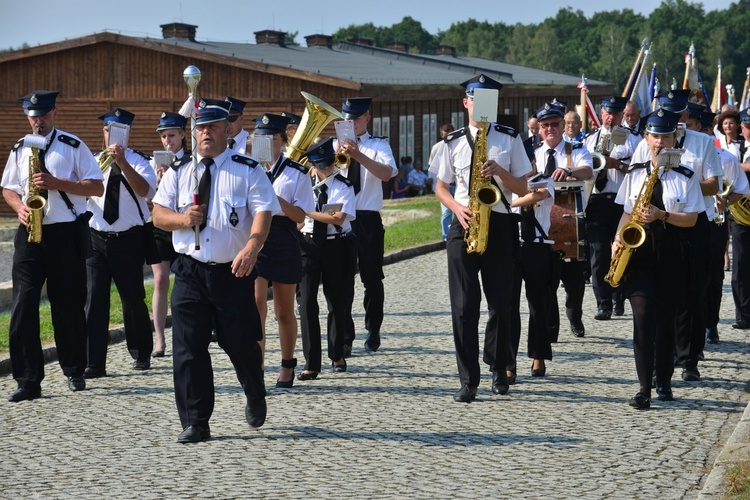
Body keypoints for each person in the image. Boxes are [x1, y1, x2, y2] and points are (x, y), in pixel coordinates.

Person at [152, 97, 279, 443]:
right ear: (193, 133)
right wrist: (182, 219)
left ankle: (254, 390)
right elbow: (158, 215)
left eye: (212, 127)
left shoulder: (247, 169)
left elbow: (264, 214)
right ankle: (196, 421)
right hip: (190, 271)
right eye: (200, 128)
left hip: (233, 272)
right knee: (188, 348)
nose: (205, 133)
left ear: (226, 130)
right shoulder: (180, 172)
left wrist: (252, 247)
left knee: (240, 344)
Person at [432, 73, 532, 402]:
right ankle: (467, 379)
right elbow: (440, 187)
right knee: (463, 307)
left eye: (490, 100)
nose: (482, 105)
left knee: (501, 304)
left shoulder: (509, 137)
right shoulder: (453, 142)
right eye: (477, 99)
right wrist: (457, 209)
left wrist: (501, 172)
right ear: (467, 102)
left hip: (501, 224)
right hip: (465, 223)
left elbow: (524, 188)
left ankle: (498, 366)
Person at [2, 90, 104, 401]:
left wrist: (58, 183)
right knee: (22, 306)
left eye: (44, 115)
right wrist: (19, 205)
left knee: (69, 305)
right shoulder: (20, 148)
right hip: (30, 236)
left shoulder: (73, 145)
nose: (38, 120)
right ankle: (28, 379)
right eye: (33, 116)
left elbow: (96, 186)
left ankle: (74, 369)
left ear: (55, 113)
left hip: (64, 234)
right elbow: (7, 187)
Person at [613, 109, 704, 409]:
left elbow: (691, 220)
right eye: (655, 135)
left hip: (672, 250)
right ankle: (643, 389)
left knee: (665, 320)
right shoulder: (636, 171)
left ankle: (663, 380)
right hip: (639, 252)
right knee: (641, 317)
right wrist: (617, 238)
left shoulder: (685, 175)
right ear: (646, 138)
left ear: (675, 138)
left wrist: (662, 215)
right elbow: (627, 211)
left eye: (666, 135)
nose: (660, 141)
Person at [631, 89, 721, 382]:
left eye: (677, 114)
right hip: (653, 228)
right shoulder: (650, 143)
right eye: (666, 112)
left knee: (693, 293)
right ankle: (664, 357)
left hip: (694, 222)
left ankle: (689, 357)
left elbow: (714, 185)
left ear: (684, 115)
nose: (673, 119)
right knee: (661, 297)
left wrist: (684, 182)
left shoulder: (703, 142)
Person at [84, 108, 157, 378]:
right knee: (94, 299)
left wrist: (123, 162)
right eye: (108, 131)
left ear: (127, 134)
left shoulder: (139, 160)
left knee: (132, 299)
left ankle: (141, 352)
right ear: (103, 133)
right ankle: (94, 362)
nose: (112, 136)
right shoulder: (92, 160)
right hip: (96, 236)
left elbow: (146, 191)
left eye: (119, 131)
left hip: (128, 238)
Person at [252, 113, 315, 388]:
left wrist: (272, 195)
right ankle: (256, 364)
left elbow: (301, 215)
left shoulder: (296, 172)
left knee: (284, 310)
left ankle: (287, 364)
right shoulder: (248, 168)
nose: (267, 142)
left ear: (283, 141)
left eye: (273, 138)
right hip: (255, 237)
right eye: (262, 138)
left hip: (284, 237)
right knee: (255, 306)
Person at [337, 97, 398, 354]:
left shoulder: (378, 145)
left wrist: (358, 155)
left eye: (356, 118)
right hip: (341, 218)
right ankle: (345, 336)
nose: (351, 123)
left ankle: (373, 329)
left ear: (366, 119)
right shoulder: (332, 145)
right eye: (346, 119)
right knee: (342, 280)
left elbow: (387, 174)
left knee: (372, 278)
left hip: (368, 218)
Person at [297, 137, 357, 380]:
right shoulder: (302, 185)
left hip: (335, 245)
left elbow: (337, 218)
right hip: (308, 244)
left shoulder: (343, 184)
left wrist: (307, 212)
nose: (327, 170)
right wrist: (309, 215)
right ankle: (311, 362)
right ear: (312, 166)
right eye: (321, 166)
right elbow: (295, 217)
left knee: (337, 302)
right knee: (306, 303)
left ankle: (337, 354)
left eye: (329, 165)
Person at [535, 100, 593, 339]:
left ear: (562, 126)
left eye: (554, 124)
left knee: (574, 282)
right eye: (545, 125)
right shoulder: (534, 152)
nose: (550, 129)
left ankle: (574, 315)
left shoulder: (576, 149)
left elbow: (588, 171)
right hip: (542, 222)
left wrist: (569, 171)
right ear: (539, 128)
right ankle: (550, 330)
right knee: (546, 282)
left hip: (570, 225)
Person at [693, 108, 750, 344]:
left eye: (706, 130)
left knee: (713, 278)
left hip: (715, 221)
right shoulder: (683, 157)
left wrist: (726, 199)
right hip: (687, 220)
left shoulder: (726, 159)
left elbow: (742, 190)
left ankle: (710, 325)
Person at [583, 96, 641, 321]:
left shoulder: (634, 140)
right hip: (596, 200)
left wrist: (616, 164)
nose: (612, 118)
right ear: (601, 113)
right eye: (608, 113)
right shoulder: (590, 139)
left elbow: (639, 170)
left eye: (616, 114)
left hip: (622, 201)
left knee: (622, 251)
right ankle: (603, 303)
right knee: (598, 254)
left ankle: (619, 298)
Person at [149, 112, 189, 358]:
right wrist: (157, 182)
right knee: (161, 280)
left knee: (187, 282)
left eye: (171, 135)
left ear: (183, 135)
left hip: (185, 226)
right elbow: (147, 199)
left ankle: (187, 332)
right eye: (163, 136)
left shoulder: (193, 162)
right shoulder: (154, 164)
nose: (167, 141)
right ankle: (160, 339)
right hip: (161, 227)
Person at [509, 171, 554, 382]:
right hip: (511, 246)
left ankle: (539, 356)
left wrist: (512, 200)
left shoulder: (545, 180)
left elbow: (539, 195)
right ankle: (508, 362)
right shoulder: (505, 183)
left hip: (537, 247)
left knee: (538, 305)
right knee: (508, 306)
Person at [731, 108, 750, 330]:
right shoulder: (733, 148)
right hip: (740, 213)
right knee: (741, 267)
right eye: (747, 126)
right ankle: (743, 313)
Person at [429, 123, 456, 241]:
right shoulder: (437, 148)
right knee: (446, 212)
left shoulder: (459, 145)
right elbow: (432, 167)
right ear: (441, 135)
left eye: (450, 135)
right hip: (444, 185)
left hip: (458, 184)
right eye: (445, 135)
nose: (447, 138)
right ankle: (447, 237)